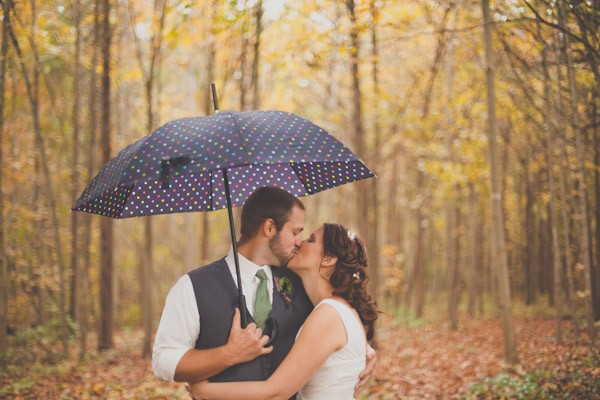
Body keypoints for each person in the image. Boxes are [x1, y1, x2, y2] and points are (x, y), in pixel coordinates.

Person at [152, 187, 376, 398]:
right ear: (269, 228)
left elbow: (334, 326)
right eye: (296, 232)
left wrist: (362, 350)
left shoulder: (303, 282)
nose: (299, 242)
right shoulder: (192, 286)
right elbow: (164, 360)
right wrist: (228, 354)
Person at [188, 223, 378, 400]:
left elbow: (277, 392)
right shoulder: (336, 309)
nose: (299, 242)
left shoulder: (328, 314)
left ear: (328, 259)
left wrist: (204, 390)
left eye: (310, 240)